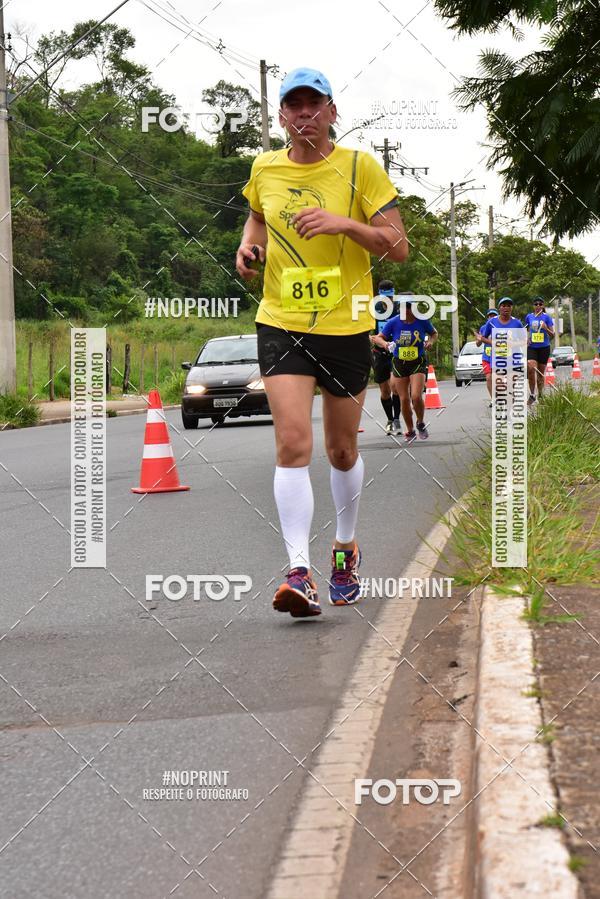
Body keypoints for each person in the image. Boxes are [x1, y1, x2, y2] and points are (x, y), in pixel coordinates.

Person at [236, 67, 408, 618]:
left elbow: (398, 246)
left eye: (315, 106)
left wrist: (343, 224)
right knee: (292, 443)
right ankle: (297, 572)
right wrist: (249, 251)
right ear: (281, 116)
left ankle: (345, 549)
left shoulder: (360, 166)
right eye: (294, 106)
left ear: (332, 112)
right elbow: (256, 221)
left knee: (341, 449)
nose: (304, 115)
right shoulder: (264, 167)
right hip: (281, 320)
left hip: (347, 325)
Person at [372, 297, 437, 442]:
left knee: (415, 396)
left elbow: (434, 333)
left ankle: (420, 422)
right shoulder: (394, 322)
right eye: (400, 308)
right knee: (404, 399)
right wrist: (386, 344)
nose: (403, 310)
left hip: (417, 361)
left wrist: (430, 342)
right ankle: (410, 430)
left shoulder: (421, 320)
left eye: (406, 307)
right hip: (399, 362)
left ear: (411, 308)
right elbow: (378, 337)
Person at [370, 279, 401, 435]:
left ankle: (397, 420)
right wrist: (375, 339)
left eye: (390, 298)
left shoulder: (399, 308)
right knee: (384, 391)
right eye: (385, 298)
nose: (388, 301)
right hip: (379, 353)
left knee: (395, 386)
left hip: (396, 352)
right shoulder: (373, 309)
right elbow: (367, 333)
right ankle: (390, 419)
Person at [478, 297, 524, 400]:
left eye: (509, 305)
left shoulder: (517, 323)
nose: (506, 308)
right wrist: (494, 343)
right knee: (500, 385)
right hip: (498, 359)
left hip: (513, 359)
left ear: (511, 308)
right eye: (504, 305)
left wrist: (513, 344)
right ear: (499, 308)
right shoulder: (492, 322)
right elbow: (483, 338)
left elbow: (525, 341)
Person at [524, 297, 554, 404]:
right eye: (536, 304)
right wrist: (527, 338)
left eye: (540, 304)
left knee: (540, 374)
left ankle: (540, 394)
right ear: (533, 306)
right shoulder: (529, 317)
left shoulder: (547, 317)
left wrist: (546, 328)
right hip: (532, 348)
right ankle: (532, 394)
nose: (538, 306)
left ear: (543, 306)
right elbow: (526, 330)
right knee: (531, 368)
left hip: (544, 348)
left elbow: (553, 335)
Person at [475, 308, 497, 404]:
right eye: (490, 316)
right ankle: (493, 399)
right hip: (486, 357)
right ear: (487, 317)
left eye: (494, 316)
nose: (491, 317)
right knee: (488, 378)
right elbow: (478, 344)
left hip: (498, 357)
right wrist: (479, 339)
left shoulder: (500, 326)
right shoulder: (484, 328)